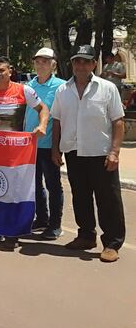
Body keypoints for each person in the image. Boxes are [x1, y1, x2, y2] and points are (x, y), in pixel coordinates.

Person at [51, 45, 126, 263]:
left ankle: (112, 243)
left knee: (108, 199)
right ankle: (86, 236)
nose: (81, 66)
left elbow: (118, 122)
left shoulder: (107, 88)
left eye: (86, 61)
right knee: (81, 197)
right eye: (77, 61)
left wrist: (114, 151)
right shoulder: (63, 91)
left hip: (101, 153)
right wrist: (56, 149)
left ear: (94, 64)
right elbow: (57, 121)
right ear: (72, 64)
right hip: (74, 152)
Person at [0, 55, 50, 249]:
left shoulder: (25, 90)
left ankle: (12, 232)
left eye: (1, 70)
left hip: (16, 153)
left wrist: (42, 125)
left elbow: (43, 109)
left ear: (10, 71)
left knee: (13, 192)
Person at [25, 48, 66, 240]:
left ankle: (55, 224)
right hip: (28, 145)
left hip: (50, 145)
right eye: (38, 61)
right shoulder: (27, 86)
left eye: (45, 61)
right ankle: (41, 218)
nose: (41, 65)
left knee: (53, 185)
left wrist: (58, 148)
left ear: (54, 65)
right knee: (34, 185)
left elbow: (62, 118)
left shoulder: (62, 86)